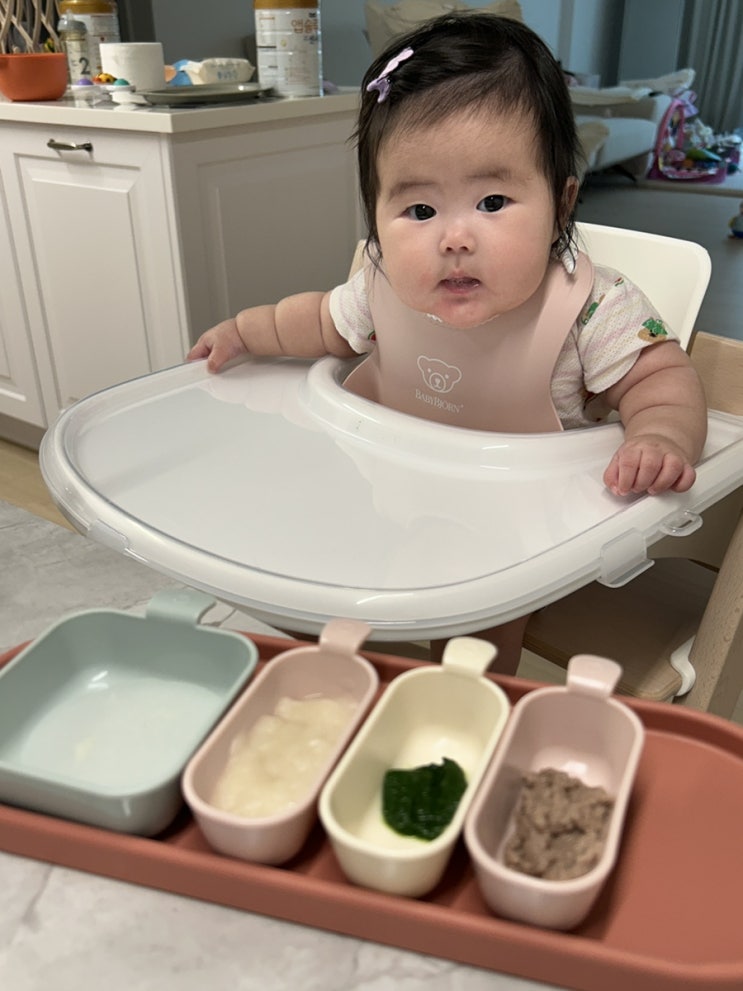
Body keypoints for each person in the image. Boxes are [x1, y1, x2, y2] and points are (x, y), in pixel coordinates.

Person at [188, 13, 708, 672]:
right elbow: (315, 321)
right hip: (398, 494)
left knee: (479, 615)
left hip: (525, 529)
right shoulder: (380, 292)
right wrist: (242, 333)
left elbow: (660, 379)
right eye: (420, 210)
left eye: (491, 202)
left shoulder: (591, 308)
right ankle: (328, 665)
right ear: (376, 219)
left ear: (561, 206)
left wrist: (658, 436)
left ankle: (463, 691)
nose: (454, 238)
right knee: (296, 540)